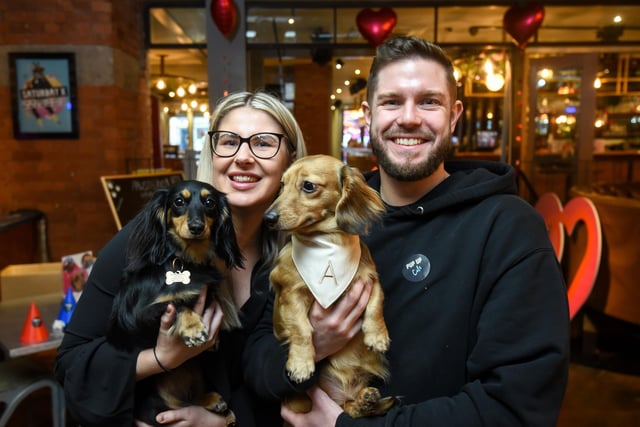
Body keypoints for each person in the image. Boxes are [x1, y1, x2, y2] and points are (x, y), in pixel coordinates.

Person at [243, 36, 570, 426]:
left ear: (454, 115)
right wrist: (310, 345)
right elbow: (257, 353)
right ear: (368, 115)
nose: (410, 117)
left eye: (429, 101)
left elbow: (518, 408)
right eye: (392, 101)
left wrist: (342, 426)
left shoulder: (508, 228)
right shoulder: (323, 215)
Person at [55, 90, 308, 427]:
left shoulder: (299, 256)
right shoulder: (144, 240)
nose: (243, 157)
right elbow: (71, 363)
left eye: (263, 143)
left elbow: (279, 381)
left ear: (290, 160)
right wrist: (161, 358)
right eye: (229, 141)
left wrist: (226, 422)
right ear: (212, 152)